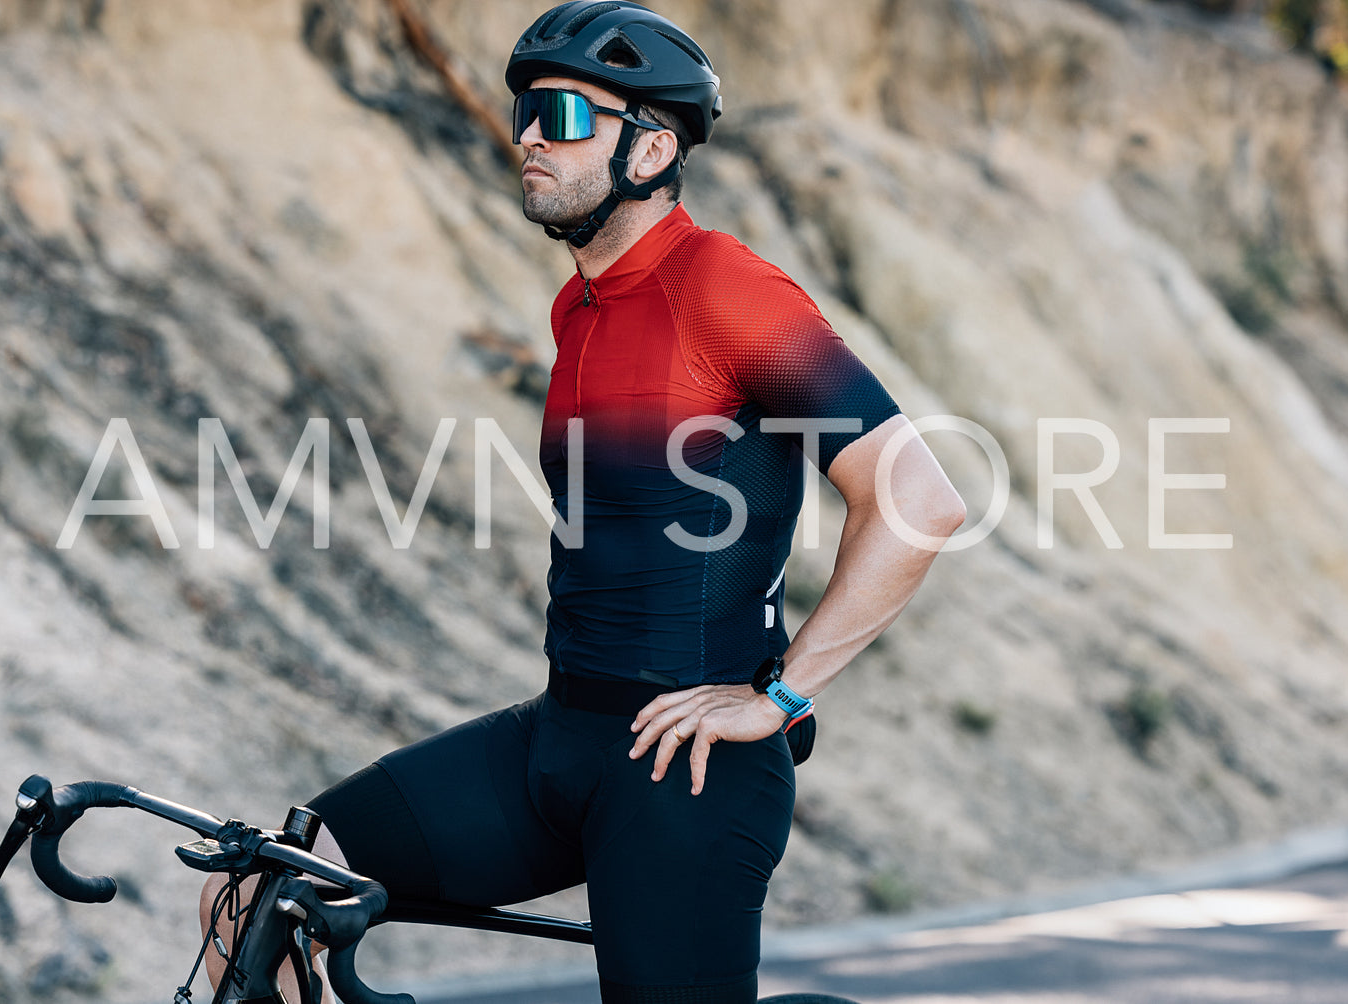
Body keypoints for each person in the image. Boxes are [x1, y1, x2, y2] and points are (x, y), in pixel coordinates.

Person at [202, 3, 966, 1002]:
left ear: (650, 147)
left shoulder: (725, 286)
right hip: (558, 735)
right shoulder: (579, 305)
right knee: (261, 893)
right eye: (524, 108)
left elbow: (918, 498)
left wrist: (777, 694)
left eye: (561, 113)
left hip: (684, 773)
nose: (526, 132)